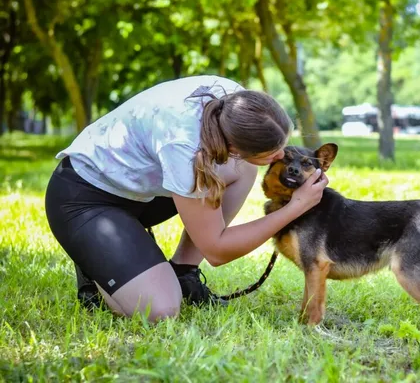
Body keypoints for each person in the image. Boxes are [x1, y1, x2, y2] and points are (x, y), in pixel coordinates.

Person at [44, 75, 329, 322]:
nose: (281, 157)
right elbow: (217, 250)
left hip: (141, 193)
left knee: (242, 170)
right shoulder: (185, 147)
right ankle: (94, 262)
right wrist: (297, 207)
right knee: (160, 309)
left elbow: (232, 163)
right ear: (232, 147)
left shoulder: (237, 105)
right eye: (272, 153)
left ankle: (183, 271)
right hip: (86, 198)